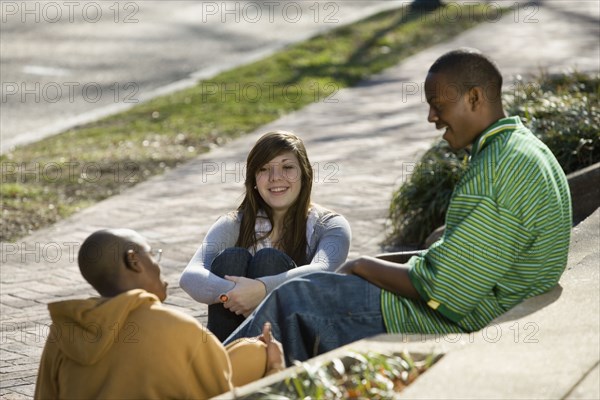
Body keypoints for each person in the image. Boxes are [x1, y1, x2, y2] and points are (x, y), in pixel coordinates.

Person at [224, 48, 572, 365]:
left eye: (439, 105)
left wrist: (362, 265)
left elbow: (444, 291)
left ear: (475, 97)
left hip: (457, 317)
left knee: (296, 300)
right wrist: (381, 265)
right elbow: (460, 260)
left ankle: (208, 375)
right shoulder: (523, 147)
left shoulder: (496, 171)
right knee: (305, 295)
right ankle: (214, 364)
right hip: (489, 300)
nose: (432, 117)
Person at [35, 229, 285, 400]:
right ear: (134, 261)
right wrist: (274, 369)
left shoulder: (63, 332)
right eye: (152, 254)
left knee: (248, 349)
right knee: (258, 352)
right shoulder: (177, 328)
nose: (158, 263)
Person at [179, 131, 351, 341]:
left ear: (305, 174)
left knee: (269, 260)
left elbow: (321, 270)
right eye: (264, 169)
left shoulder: (330, 225)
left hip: (300, 339)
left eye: (287, 167)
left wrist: (261, 290)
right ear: (253, 179)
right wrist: (236, 295)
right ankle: (227, 363)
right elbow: (190, 276)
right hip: (235, 338)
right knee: (231, 258)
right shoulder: (235, 223)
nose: (275, 177)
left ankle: (262, 365)